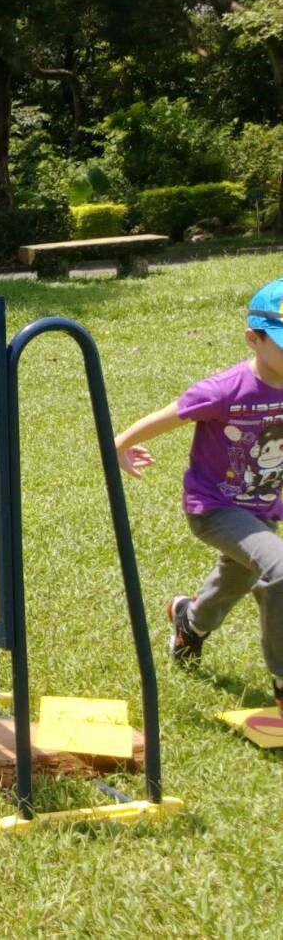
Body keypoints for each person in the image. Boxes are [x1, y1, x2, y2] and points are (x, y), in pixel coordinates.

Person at [116, 279, 283, 715]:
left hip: (263, 508)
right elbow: (170, 415)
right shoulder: (226, 389)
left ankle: (189, 622)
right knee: (279, 570)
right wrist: (120, 445)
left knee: (238, 578)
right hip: (215, 508)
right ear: (253, 338)